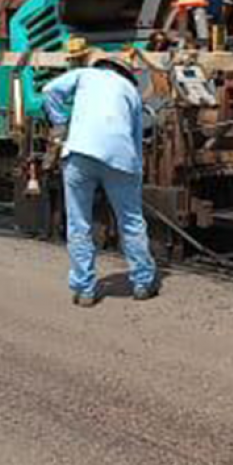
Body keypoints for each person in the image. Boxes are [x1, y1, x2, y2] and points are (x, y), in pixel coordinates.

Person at [43, 58, 157, 307]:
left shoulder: (84, 74)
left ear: (101, 66)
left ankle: (85, 290)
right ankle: (142, 283)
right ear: (125, 74)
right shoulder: (132, 93)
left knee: (78, 222)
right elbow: (135, 136)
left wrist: (60, 122)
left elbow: (49, 90)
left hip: (79, 153)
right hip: (120, 157)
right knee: (131, 220)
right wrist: (136, 171)